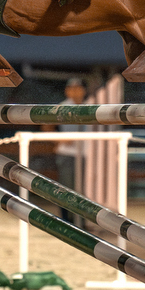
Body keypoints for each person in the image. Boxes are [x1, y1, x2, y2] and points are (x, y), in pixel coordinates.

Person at [55, 77, 87, 223]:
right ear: (67, 91)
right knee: (66, 187)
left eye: (78, 88)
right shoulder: (63, 106)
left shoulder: (89, 106)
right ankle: (66, 220)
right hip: (67, 153)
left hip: (85, 153)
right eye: (72, 88)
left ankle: (80, 220)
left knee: (83, 189)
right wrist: (58, 140)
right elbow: (46, 126)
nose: (75, 91)